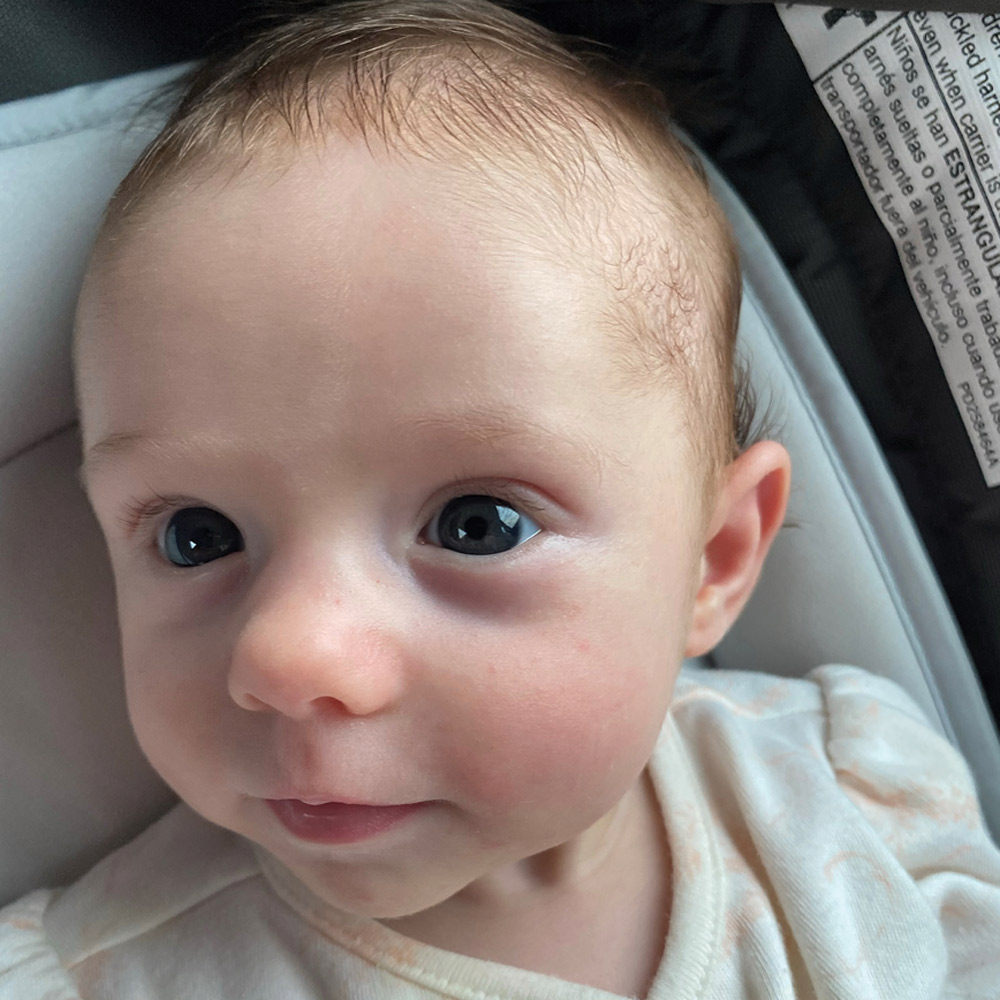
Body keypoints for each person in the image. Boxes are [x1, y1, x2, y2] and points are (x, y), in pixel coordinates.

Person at [3, 1, 1000, 997]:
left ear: (717, 557)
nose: (289, 654)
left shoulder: (845, 798)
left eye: (476, 525)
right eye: (195, 535)